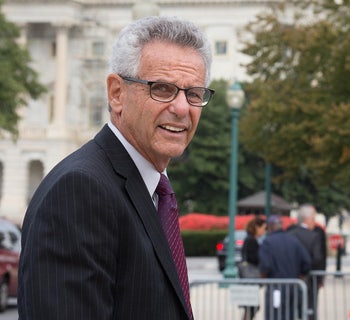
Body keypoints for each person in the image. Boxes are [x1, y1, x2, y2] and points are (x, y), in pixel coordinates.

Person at [18, 16, 214, 320]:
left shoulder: (150, 190)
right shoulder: (80, 192)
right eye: (162, 89)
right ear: (116, 94)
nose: (181, 108)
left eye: (194, 94)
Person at [259, 215, 311, 320]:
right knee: (290, 315)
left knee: (274, 315)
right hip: (293, 286)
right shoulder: (293, 240)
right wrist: (301, 275)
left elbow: (265, 265)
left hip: (275, 287)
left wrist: (262, 278)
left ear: (270, 227)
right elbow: (307, 261)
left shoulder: (268, 242)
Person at [288, 204, 326, 320]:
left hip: (290, 277)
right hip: (309, 278)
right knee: (310, 308)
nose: (314, 221)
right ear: (307, 219)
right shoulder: (314, 235)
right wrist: (319, 278)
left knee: (292, 308)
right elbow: (318, 258)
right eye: (313, 218)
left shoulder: (289, 232)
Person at [239, 216, 267, 320]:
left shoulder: (249, 239)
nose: (264, 231)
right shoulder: (252, 241)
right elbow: (254, 258)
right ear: (257, 227)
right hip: (250, 277)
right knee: (251, 306)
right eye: (264, 228)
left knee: (250, 307)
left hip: (247, 277)